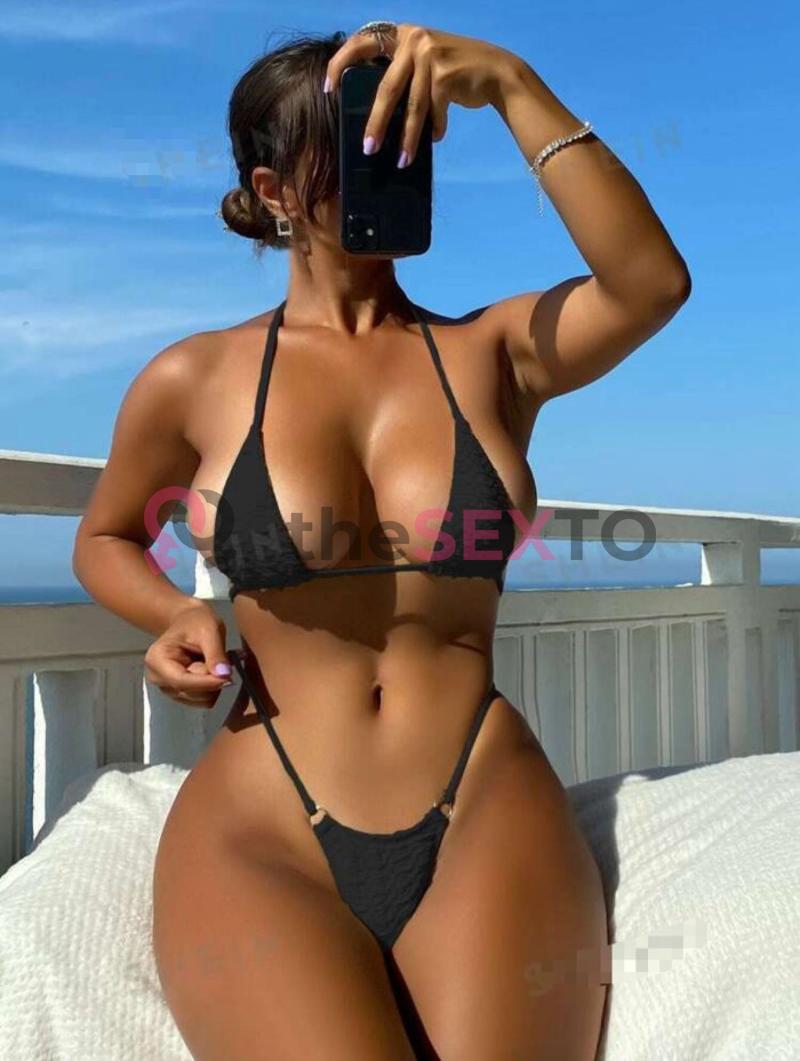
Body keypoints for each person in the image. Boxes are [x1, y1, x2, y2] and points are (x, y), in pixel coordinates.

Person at [73, 21, 690, 1061]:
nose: (393, 171)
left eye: (405, 145)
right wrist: (172, 610)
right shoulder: (194, 378)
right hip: (264, 824)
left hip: (478, 798)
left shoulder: (490, 352)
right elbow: (104, 536)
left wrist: (513, 85)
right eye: (359, 152)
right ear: (274, 193)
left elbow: (649, 284)